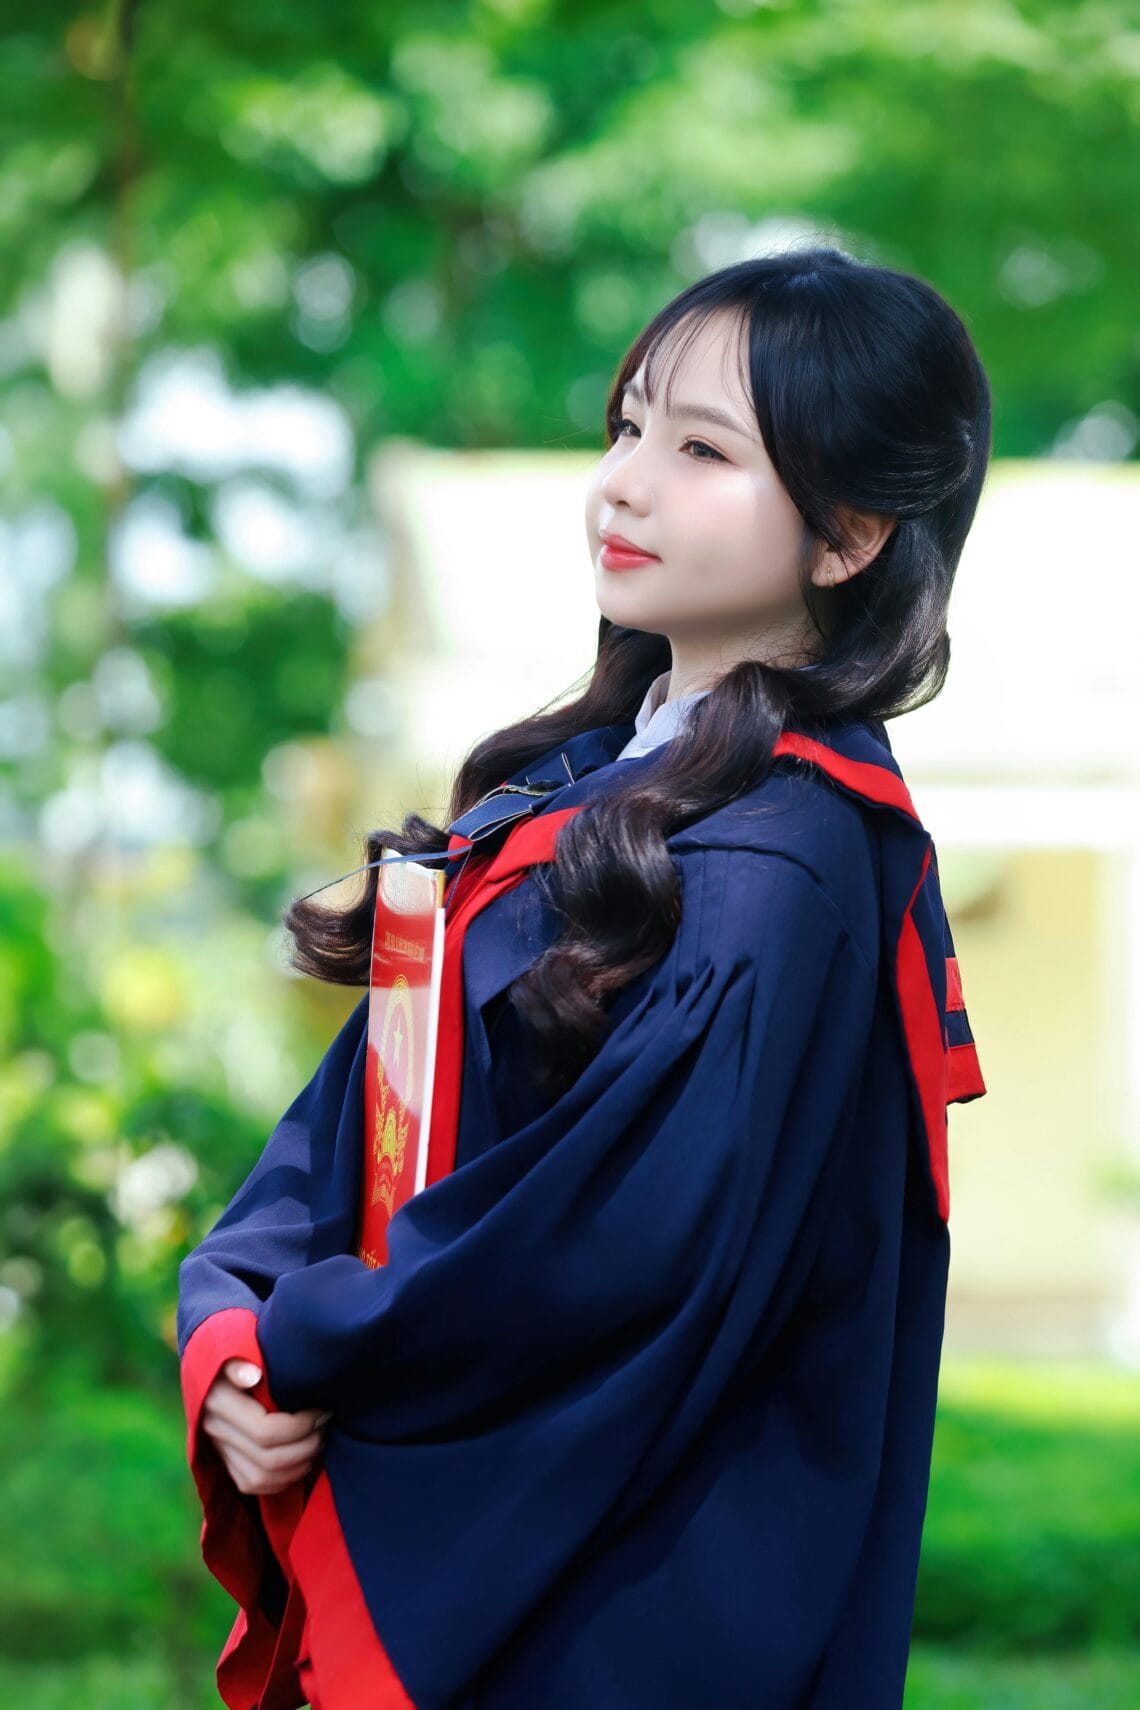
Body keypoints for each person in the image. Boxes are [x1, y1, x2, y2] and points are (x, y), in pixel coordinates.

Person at [177, 244, 991, 1710]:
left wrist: (309, 1346)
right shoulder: (578, 788)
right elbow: (343, 1129)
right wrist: (236, 1330)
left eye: (701, 450)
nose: (623, 482)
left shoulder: (783, 865)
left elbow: (593, 1251)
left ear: (851, 531)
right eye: (628, 426)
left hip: (617, 1604)